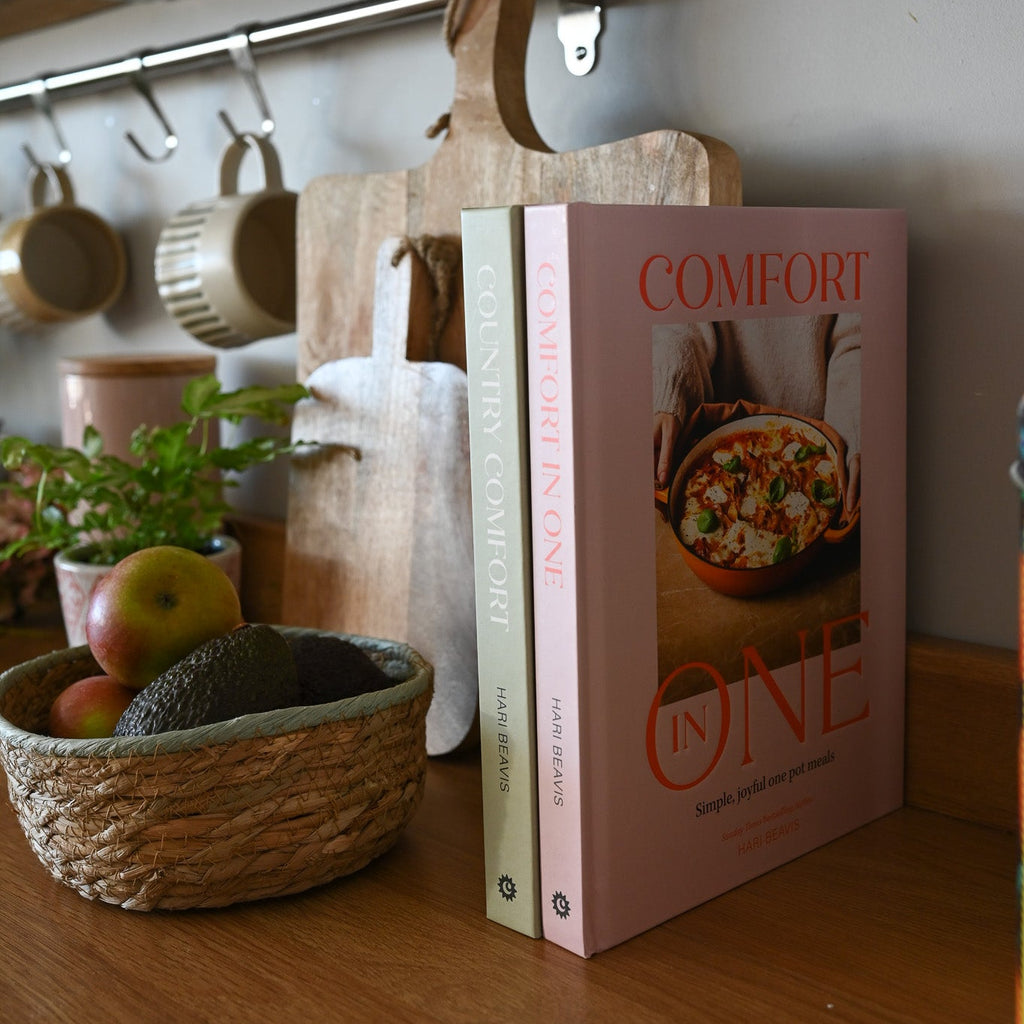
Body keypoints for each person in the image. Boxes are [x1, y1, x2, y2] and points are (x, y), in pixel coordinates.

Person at [652, 313, 862, 510]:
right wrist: (670, 392)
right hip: (718, 450)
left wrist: (856, 427)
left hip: (821, 444)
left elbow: (854, 341)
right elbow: (680, 322)